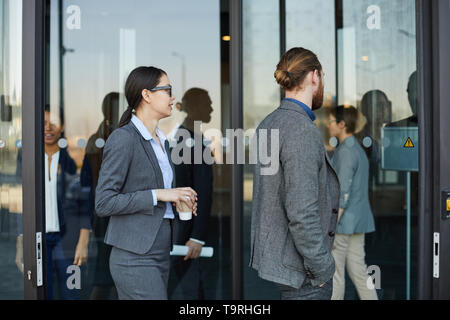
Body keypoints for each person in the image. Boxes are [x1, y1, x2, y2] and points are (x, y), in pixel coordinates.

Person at [95, 66, 198, 300]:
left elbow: (160, 203)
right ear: (147, 95)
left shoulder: (163, 142)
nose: (173, 98)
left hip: (160, 251)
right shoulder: (124, 139)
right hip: (134, 257)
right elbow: (104, 202)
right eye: (167, 90)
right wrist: (161, 194)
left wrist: (180, 206)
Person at [249, 47, 340, 300]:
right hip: (302, 273)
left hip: (281, 263)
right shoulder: (301, 129)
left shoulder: (269, 123)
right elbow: (301, 212)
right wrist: (322, 268)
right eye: (321, 76)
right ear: (314, 76)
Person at [17, 106, 92, 299]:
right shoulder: (26, 158)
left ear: (62, 126)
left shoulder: (73, 158)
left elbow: (86, 200)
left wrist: (83, 241)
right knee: (43, 294)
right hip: (38, 239)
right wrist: (20, 245)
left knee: (72, 292)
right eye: (43, 123)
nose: (48, 127)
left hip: (68, 239)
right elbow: (21, 202)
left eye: (53, 123)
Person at [326, 106, 377, 300]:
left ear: (342, 124)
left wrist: (331, 228)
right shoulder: (356, 148)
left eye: (330, 121)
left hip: (344, 223)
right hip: (358, 221)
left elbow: (342, 194)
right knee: (359, 271)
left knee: (336, 275)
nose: (327, 125)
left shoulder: (346, 151)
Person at [169, 88, 213, 300]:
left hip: (183, 232)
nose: (212, 108)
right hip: (185, 235)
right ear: (195, 107)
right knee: (193, 294)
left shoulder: (187, 136)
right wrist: (196, 236)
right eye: (208, 103)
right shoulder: (188, 139)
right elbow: (200, 190)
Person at [80, 92, 119, 299]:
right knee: (105, 276)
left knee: (113, 276)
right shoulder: (99, 140)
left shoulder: (97, 138)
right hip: (104, 214)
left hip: (109, 212)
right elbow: (86, 182)